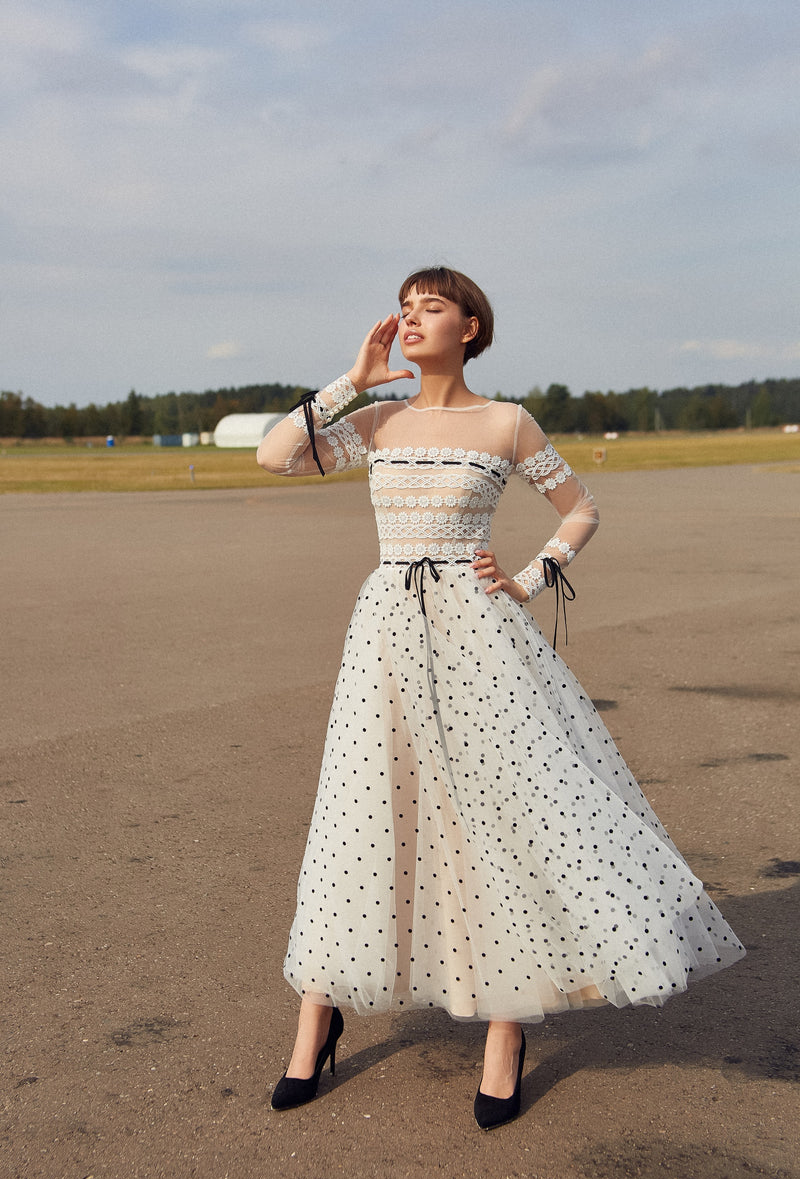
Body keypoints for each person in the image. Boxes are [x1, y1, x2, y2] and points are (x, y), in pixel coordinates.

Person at [256, 266, 744, 1130]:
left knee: (505, 812)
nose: (411, 319)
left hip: (480, 635)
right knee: (366, 812)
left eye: (431, 308)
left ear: (472, 325)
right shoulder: (379, 418)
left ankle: (506, 1032)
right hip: (386, 637)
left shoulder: (507, 422)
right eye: (404, 308)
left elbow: (580, 509)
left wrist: (526, 579)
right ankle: (318, 1016)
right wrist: (352, 383)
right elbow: (274, 456)